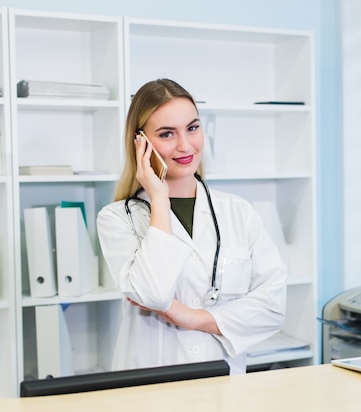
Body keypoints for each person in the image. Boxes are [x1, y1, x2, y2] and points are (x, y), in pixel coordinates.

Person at [96, 78, 287, 374]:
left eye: (192, 128)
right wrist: (159, 199)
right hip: (152, 387)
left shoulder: (239, 212)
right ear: (140, 142)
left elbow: (272, 308)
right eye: (167, 133)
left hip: (223, 382)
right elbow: (153, 295)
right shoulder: (118, 219)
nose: (185, 145)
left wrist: (188, 316)